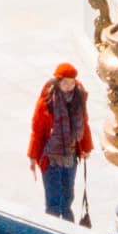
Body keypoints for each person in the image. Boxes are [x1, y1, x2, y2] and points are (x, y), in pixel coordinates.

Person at [26, 61, 91, 220]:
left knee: (68, 198)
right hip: (51, 158)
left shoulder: (78, 99)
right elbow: (37, 130)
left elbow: (84, 123)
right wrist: (33, 156)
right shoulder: (47, 101)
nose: (69, 86)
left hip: (71, 155)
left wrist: (86, 148)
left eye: (72, 82)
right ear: (58, 82)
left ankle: (69, 232)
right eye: (65, 82)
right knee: (53, 202)